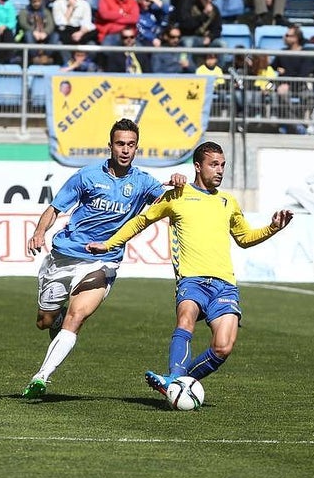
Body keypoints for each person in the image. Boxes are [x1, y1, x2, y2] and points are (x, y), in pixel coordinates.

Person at [86, 141, 293, 396]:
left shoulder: (228, 201)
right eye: (213, 165)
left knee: (223, 347)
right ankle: (174, 376)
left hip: (224, 285)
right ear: (198, 166)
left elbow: (245, 238)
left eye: (222, 165)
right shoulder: (177, 195)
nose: (220, 170)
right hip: (191, 280)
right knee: (186, 320)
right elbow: (141, 222)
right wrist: (108, 244)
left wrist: (272, 228)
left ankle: (177, 384)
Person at [22, 119, 187, 398]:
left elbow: (172, 204)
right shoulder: (86, 176)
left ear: (136, 148)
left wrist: (179, 186)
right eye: (120, 144)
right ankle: (56, 318)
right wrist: (39, 233)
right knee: (45, 321)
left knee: (77, 317)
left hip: (104, 260)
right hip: (65, 256)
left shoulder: (143, 183)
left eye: (131, 145)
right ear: (110, 146)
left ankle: (41, 377)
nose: (125, 150)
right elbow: (54, 208)